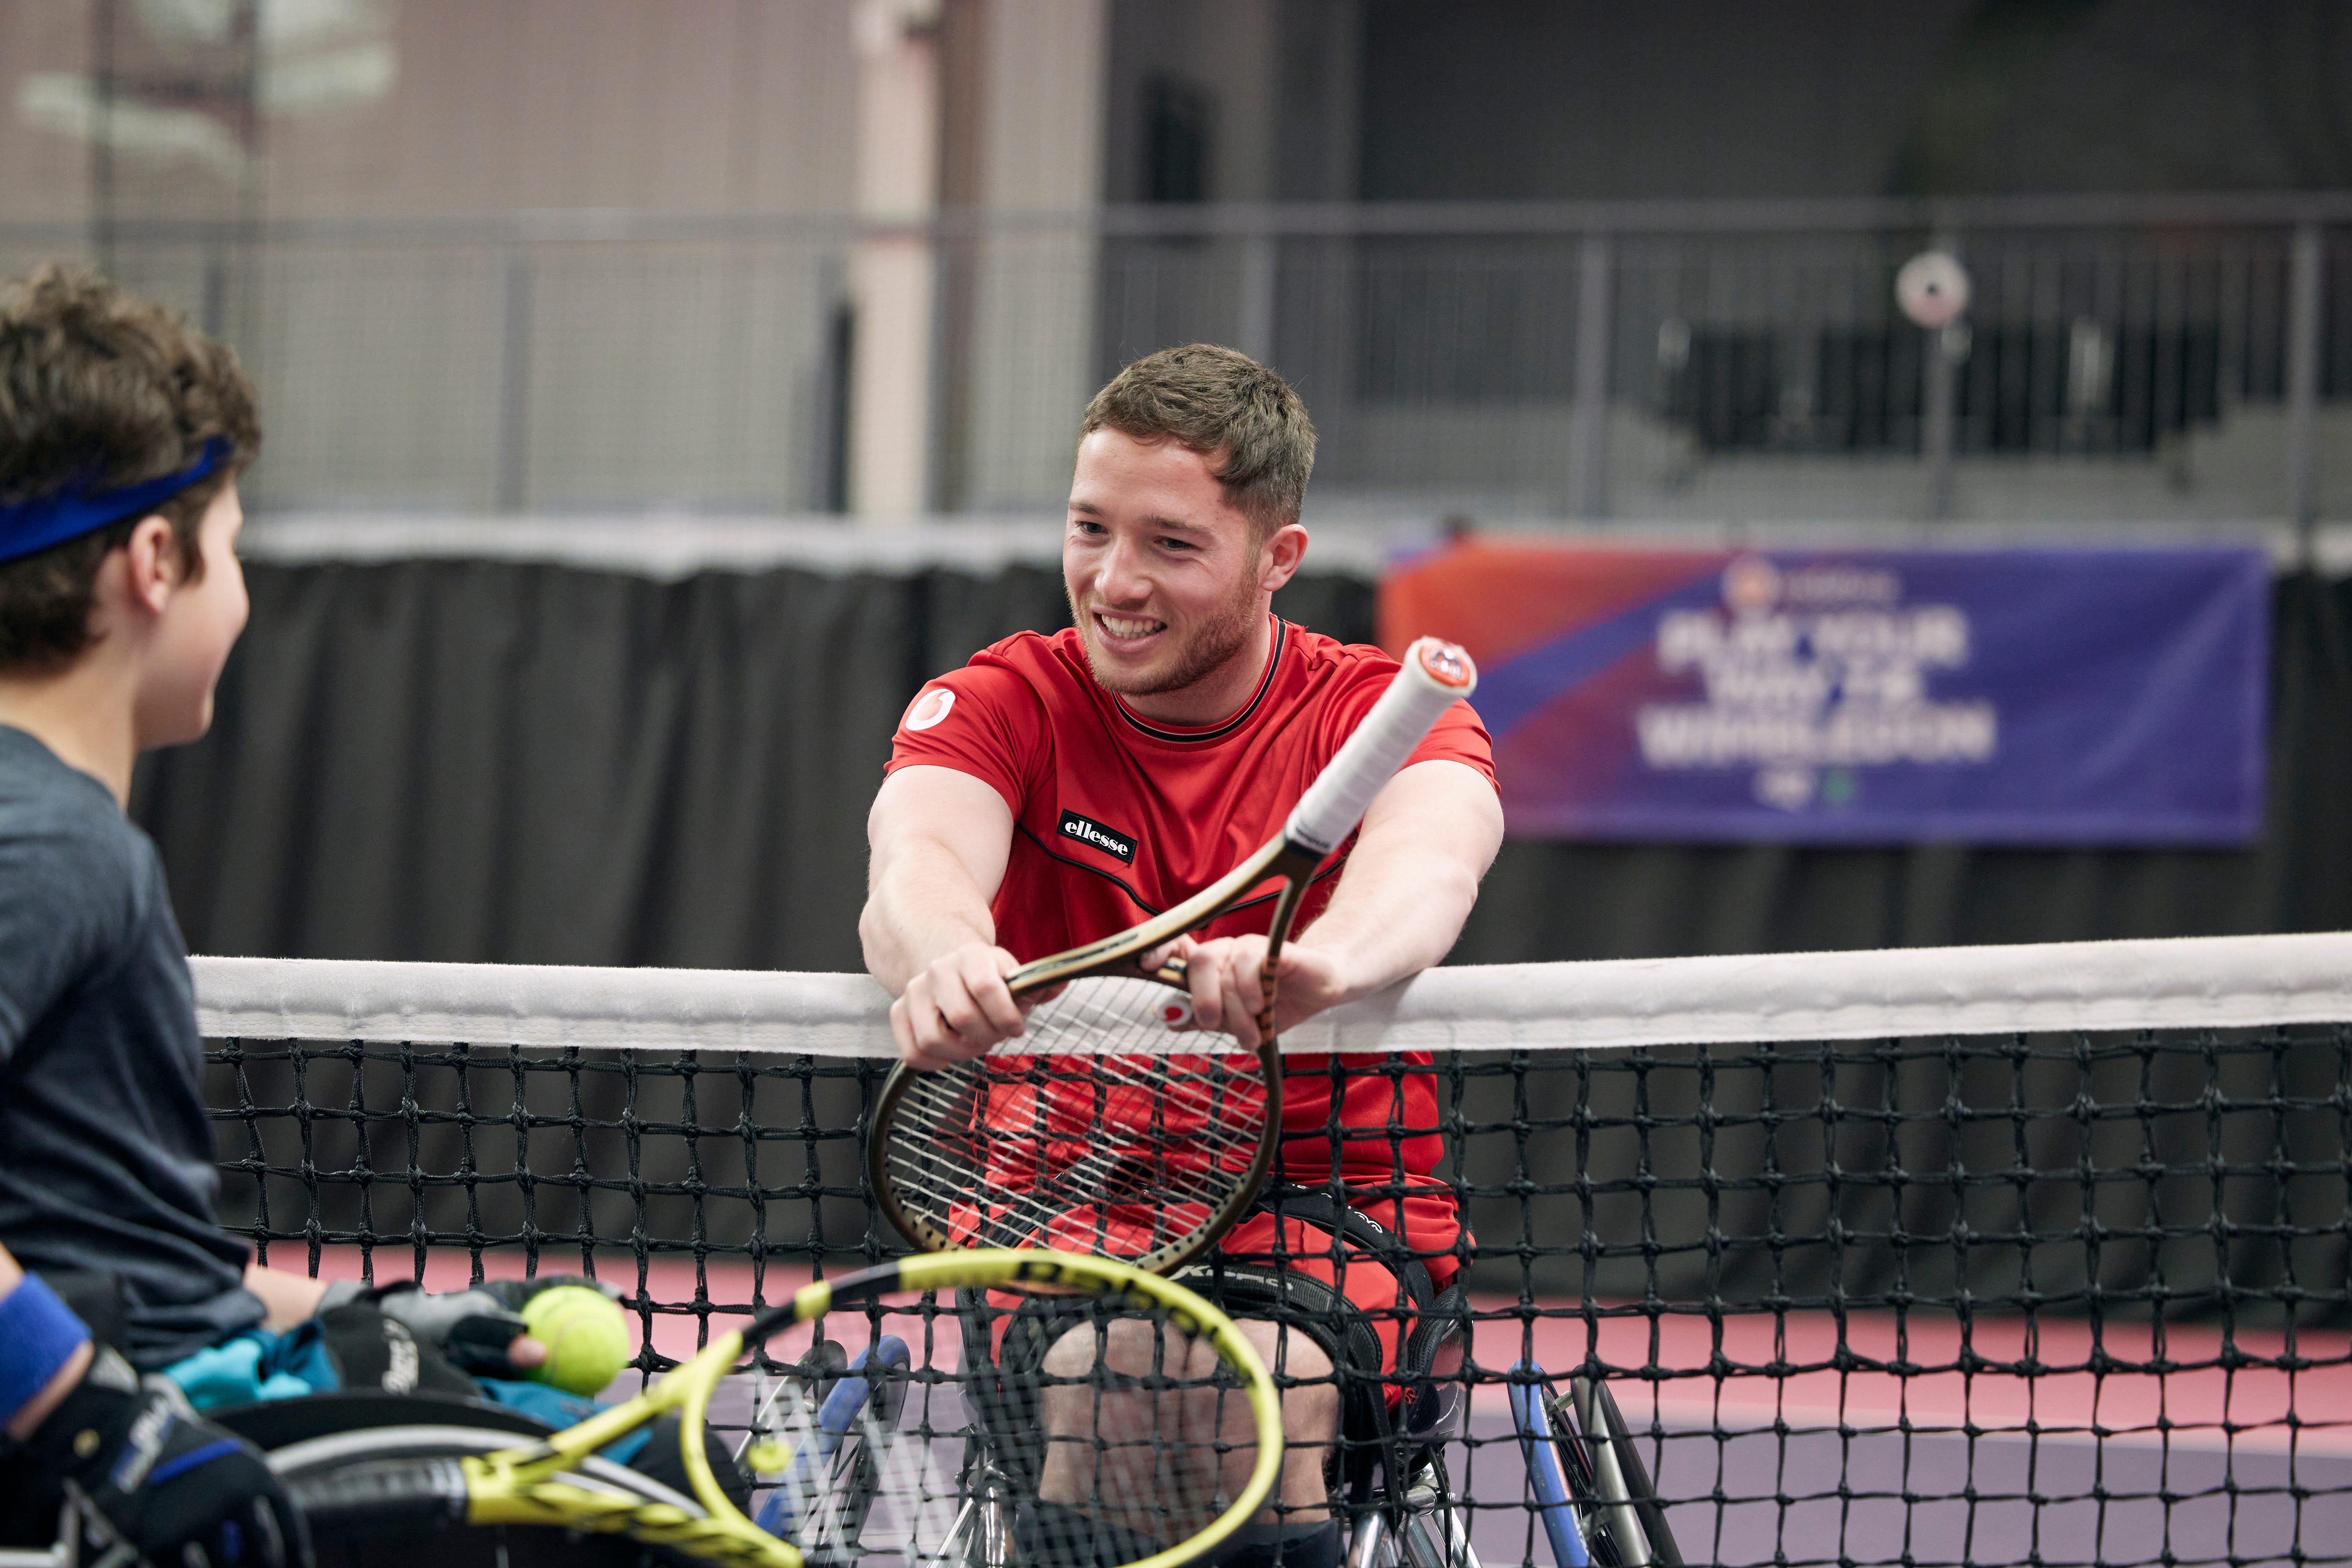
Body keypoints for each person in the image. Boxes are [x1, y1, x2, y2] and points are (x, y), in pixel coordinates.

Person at [862, 344, 1503, 1565]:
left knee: (1226, 1393)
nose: (1113, 580)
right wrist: (943, 954)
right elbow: (914, 865)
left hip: (1334, 1215)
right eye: (1089, 527)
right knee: (1123, 1377)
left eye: (1170, 543)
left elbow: (1434, 859)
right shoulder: (1006, 701)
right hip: (1067, 1215)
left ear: (1278, 560)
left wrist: (1324, 963)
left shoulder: (1366, 717)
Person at [0, 267, 575, 1564]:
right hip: (148, 1469)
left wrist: (405, 1311)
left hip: (183, 1384)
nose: (241, 590)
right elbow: (112, 1339)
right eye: (236, 547)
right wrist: (102, 1426)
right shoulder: (45, 834)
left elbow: (109, 1256)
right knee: (657, 1486)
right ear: (157, 561)